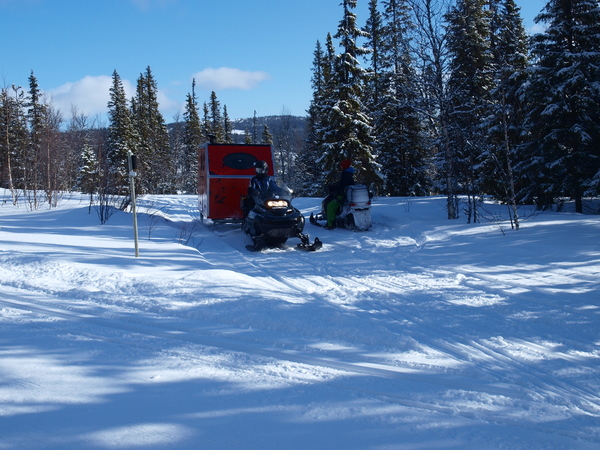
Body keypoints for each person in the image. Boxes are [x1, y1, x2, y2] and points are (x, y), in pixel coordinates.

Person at [325, 159, 355, 228]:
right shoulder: (349, 174)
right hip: (347, 195)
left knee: (330, 206)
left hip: (342, 196)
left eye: (341, 165)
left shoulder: (345, 175)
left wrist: (335, 190)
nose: (340, 167)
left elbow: (342, 186)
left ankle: (331, 224)